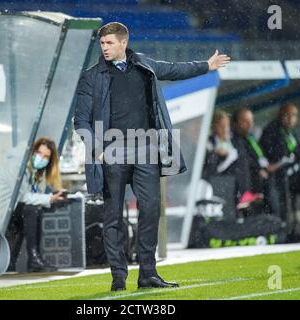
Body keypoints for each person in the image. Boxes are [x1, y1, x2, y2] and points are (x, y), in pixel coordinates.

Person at [74, 22, 230, 291]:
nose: (105, 48)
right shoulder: (92, 76)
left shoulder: (144, 64)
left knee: (150, 210)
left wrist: (207, 65)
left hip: (146, 149)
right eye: (102, 44)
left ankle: (147, 273)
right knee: (113, 217)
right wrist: (95, 147)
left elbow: (174, 69)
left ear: (123, 42)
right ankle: (118, 278)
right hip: (111, 152)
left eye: (109, 43)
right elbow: (81, 121)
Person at [5, 137, 66, 272]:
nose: (41, 158)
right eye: (39, 153)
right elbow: (22, 196)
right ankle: (33, 258)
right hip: (1, 212)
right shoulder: (18, 166)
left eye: (46, 157)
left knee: (34, 210)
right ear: (32, 151)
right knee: (31, 210)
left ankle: (34, 258)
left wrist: (53, 198)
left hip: (13, 212)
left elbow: (34, 196)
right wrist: (49, 199)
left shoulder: (37, 173)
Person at [259, 103, 300, 224]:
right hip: (275, 179)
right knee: (278, 209)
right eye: (287, 115)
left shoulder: (291, 133)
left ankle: (293, 230)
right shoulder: (271, 130)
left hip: (292, 178)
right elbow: (268, 155)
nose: (290, 118)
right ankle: (281, 231)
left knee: (292, 208)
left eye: (294, 115)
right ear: (280, 115)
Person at [231, 107, 269, 210]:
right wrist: (258, 169)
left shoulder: (250, 138)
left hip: (258, 185)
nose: (249, 124)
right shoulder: (234, 140)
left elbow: (258, 157)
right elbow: (245, 161)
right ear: (235, 123)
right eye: (245, 121)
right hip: (247, 188)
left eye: (251, 121)